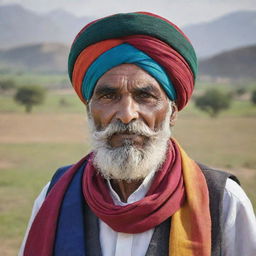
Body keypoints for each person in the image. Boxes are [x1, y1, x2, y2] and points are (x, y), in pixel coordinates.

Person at [19, 12, 256, 256]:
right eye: (108, 96)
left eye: (145, 96)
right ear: (90, 111)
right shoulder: (54, 196)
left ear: (172, 113)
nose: (127, 114)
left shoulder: (223, 201)